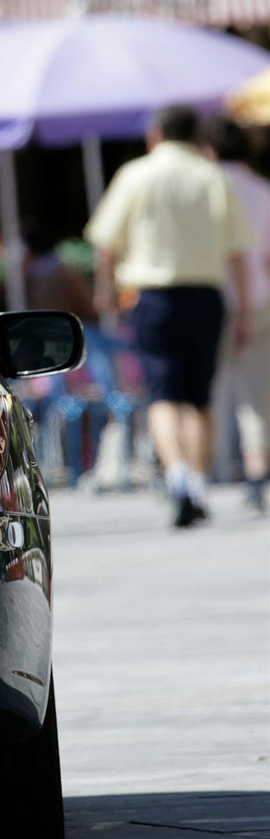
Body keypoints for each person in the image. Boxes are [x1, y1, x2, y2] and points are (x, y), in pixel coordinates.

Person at [85, 105, 253, 528]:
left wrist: (106, 291)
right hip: (205, 296)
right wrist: (244, 310)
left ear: (156, 134)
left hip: (152, 296)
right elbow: (238, 253)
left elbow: (105, 243)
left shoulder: (135, 175)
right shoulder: (214, 177)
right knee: (199, 397)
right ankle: (196, 484)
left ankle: (176, 476)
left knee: (163, 394)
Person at [206, 117, 270, 512]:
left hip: (213, 297)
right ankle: (256, 470)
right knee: (256, 390)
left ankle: (209, 466)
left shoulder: (207, 187)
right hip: (261, 297)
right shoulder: (262, 189)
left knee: (212, 387)